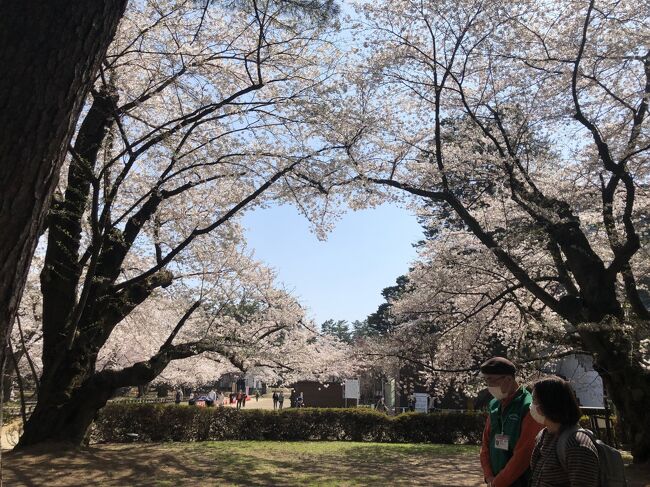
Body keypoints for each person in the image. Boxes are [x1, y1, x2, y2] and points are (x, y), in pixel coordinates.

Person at [479, 357, 543, 487]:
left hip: (520, 481)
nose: (488, 386)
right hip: (494, 480)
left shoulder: (528, 406)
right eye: (485, 380)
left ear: (508, 379)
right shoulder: (494, 404)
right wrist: (488, 476)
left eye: (491, 380)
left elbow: (524, 453)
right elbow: (486, 443)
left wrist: (498, 482)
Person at [529, 376, 599, 487]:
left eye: (534, 400)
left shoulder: (577, 443)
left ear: (548, 404)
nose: (531, 405)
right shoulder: (543, 435)